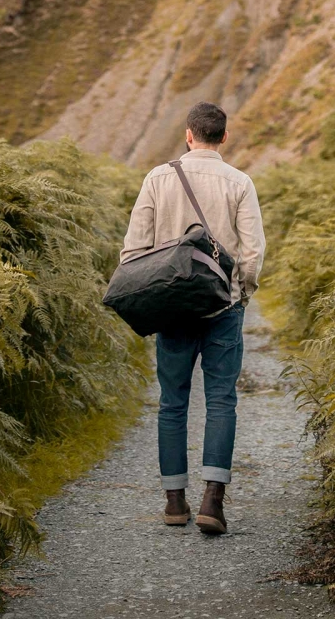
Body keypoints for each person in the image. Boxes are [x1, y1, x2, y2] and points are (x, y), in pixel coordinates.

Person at [119, 101, 266, 535]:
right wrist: (241, 293)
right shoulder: (240, 182)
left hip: (173, 309)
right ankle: (212, 503)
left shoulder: (158, 178)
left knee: (172, 402)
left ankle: (174, 503)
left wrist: (155, 292)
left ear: (188, 134)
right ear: (223, 137)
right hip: (223, 308)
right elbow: (253, 253)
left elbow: (133, 249)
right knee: (221, 400)